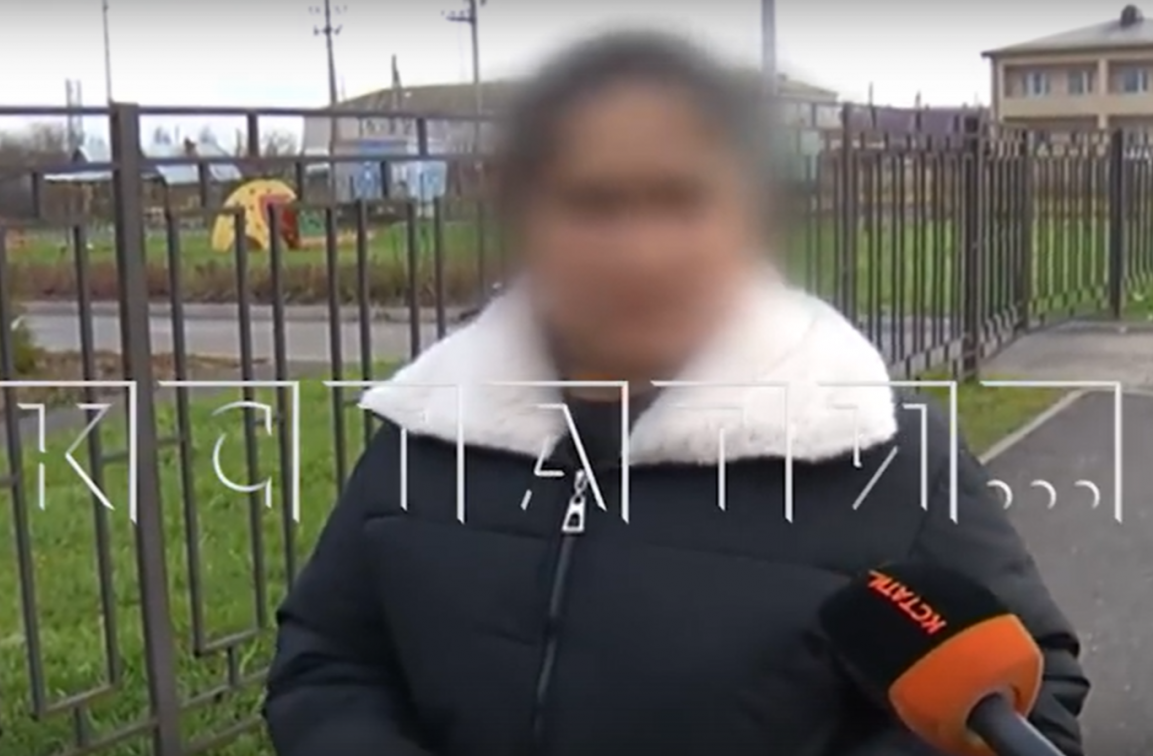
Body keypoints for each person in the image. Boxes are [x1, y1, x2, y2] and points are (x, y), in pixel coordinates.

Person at [263, 30, 1089, 756]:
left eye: (681, 199)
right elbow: (328, 662)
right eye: (592, 202)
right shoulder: (431, 428)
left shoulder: (882, 449)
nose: (639, 250)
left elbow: (1027, 701)